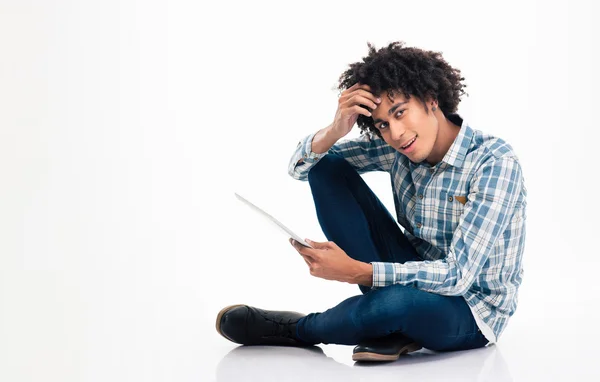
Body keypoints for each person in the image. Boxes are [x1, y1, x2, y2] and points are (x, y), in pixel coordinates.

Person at [215, 41, 527, 362]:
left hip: (469, 309)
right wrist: (336, 129)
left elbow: (458, 275)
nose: (396, 133)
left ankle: (299, 329)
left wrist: (359, 272)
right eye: (383, 124)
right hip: (410, 273)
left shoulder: (493, 163)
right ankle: (393, 326)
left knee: (397, 304)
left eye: (400, 112)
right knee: (327, 166)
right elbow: (303, 166)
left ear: (431, 100)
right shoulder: (398, 147)